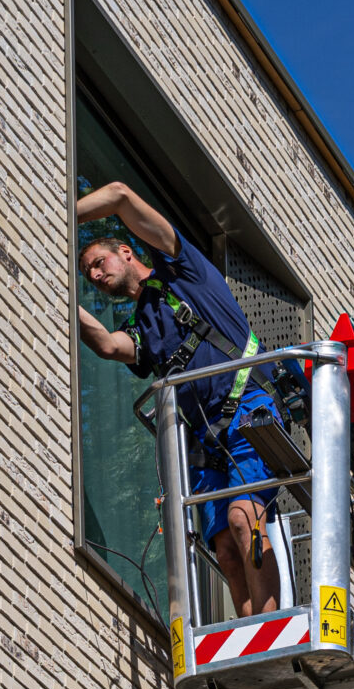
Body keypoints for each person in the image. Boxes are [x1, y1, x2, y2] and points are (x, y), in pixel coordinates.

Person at [74, 178, 285, 618]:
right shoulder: (141, 326)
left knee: (244, 519)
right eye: (87, 274)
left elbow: (120, 194)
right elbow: (110, 347)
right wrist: (63, 296)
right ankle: (251, 630)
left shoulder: (183, 272)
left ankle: (270, 625)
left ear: (126, 252)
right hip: (207, 444)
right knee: (225, 546)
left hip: (248, 410)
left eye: (98, 261)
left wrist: (57, 221)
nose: (95, 274)